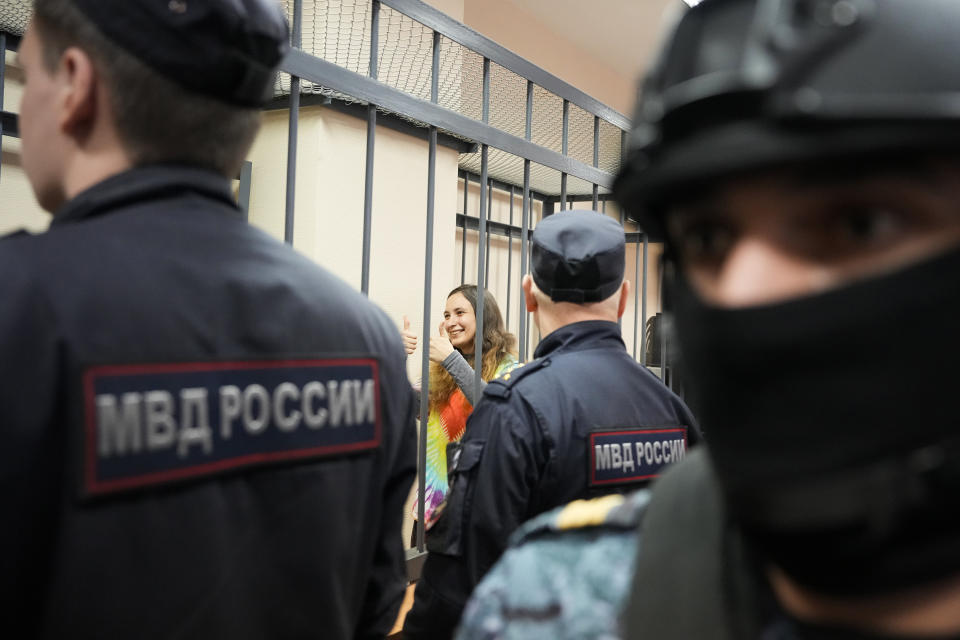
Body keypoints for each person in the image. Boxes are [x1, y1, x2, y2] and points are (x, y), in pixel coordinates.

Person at [458, 0, 960, 638]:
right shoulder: (549, 605)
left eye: (858, 222)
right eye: (708, 240)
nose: (741, 290)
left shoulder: (523, 411)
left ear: (530, 294)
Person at [1, 1, 415, 637]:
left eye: (28, 76)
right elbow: (373, 607)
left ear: (76, 87)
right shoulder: (370, 342)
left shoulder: (18, 308)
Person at [404, 210, 698, 638]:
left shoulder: (517, 407)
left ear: (529, 294)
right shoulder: (672, 411)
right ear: (624, 296)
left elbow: (460, 580)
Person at [402, 285, 518, 532]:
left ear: (483, 315)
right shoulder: (439, 368)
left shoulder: (510, 368)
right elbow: (412, 408)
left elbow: (498, 411)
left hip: (477, 514)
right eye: (446, 315)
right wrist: (396, 359)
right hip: (430, 512)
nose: (451, 321)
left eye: (459, 312)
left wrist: (451, 360)